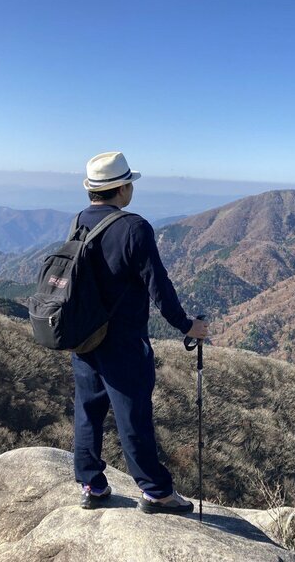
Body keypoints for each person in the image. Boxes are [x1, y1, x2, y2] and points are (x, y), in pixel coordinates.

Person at [72, 151, 208, 514]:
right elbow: (158, 287)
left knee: (88, 411)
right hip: (123, 342)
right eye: (129, 182)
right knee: (133, 416)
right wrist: (187, 325)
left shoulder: (79, 221)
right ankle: (156, 492)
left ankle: (91, 484)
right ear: (122, 188)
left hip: (84, 337)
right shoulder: (134, 227)